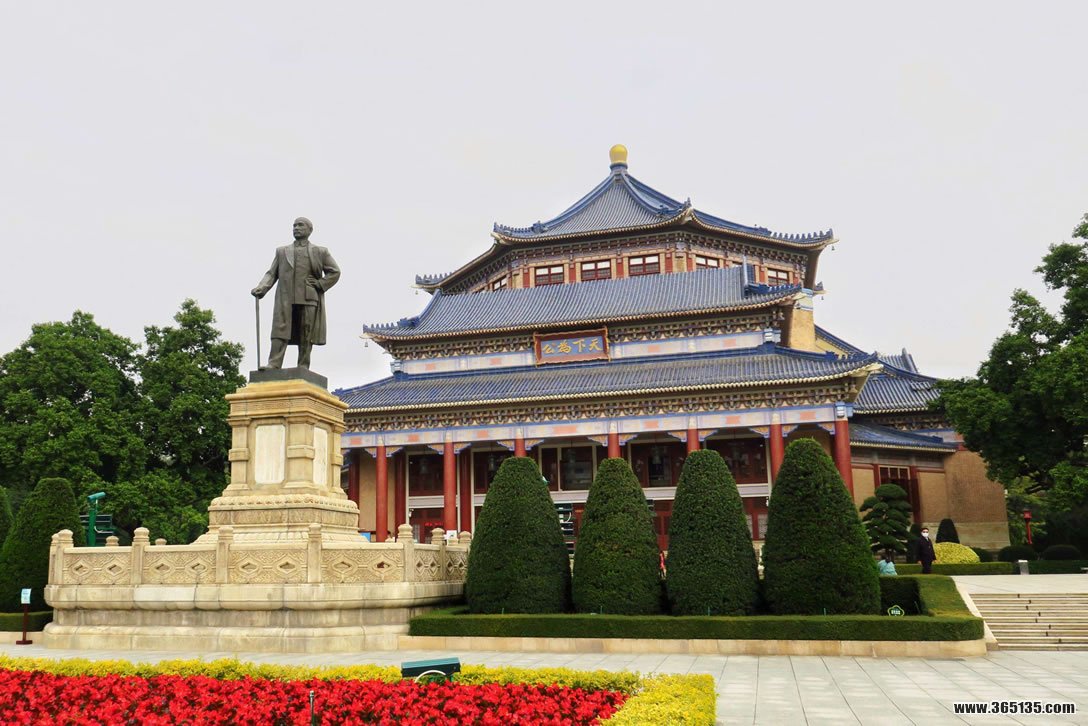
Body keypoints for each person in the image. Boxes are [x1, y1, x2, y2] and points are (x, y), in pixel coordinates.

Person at [251, 217, 340, 369]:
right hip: (285, 297)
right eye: (294, 226)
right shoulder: (282, 251)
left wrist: (320, 284)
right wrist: (262, 288)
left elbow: (335, 271)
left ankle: (303, 365)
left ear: (310, 230)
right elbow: (272, 273)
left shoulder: (320, 251)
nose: (296, 228)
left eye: (300, 225)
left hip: (309, 297)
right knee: (280, 330)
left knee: (306, 332)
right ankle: (274, 364)